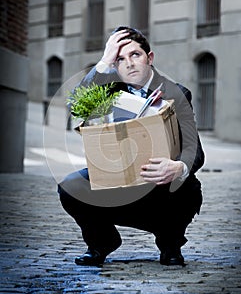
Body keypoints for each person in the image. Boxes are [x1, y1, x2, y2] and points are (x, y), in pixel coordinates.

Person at [58, 26, 205, 267]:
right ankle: (101, 242)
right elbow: (77, 107)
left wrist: (178, 167)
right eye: (120, 59)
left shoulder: (177, 93)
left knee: (188, 187)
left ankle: (170, 245)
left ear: (150, 58)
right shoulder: (108, 92)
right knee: (70, 186)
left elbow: (195, 150)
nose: (129, 63)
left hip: (160, 187)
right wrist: (104, 61)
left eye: (135, 55)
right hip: (118, 181)